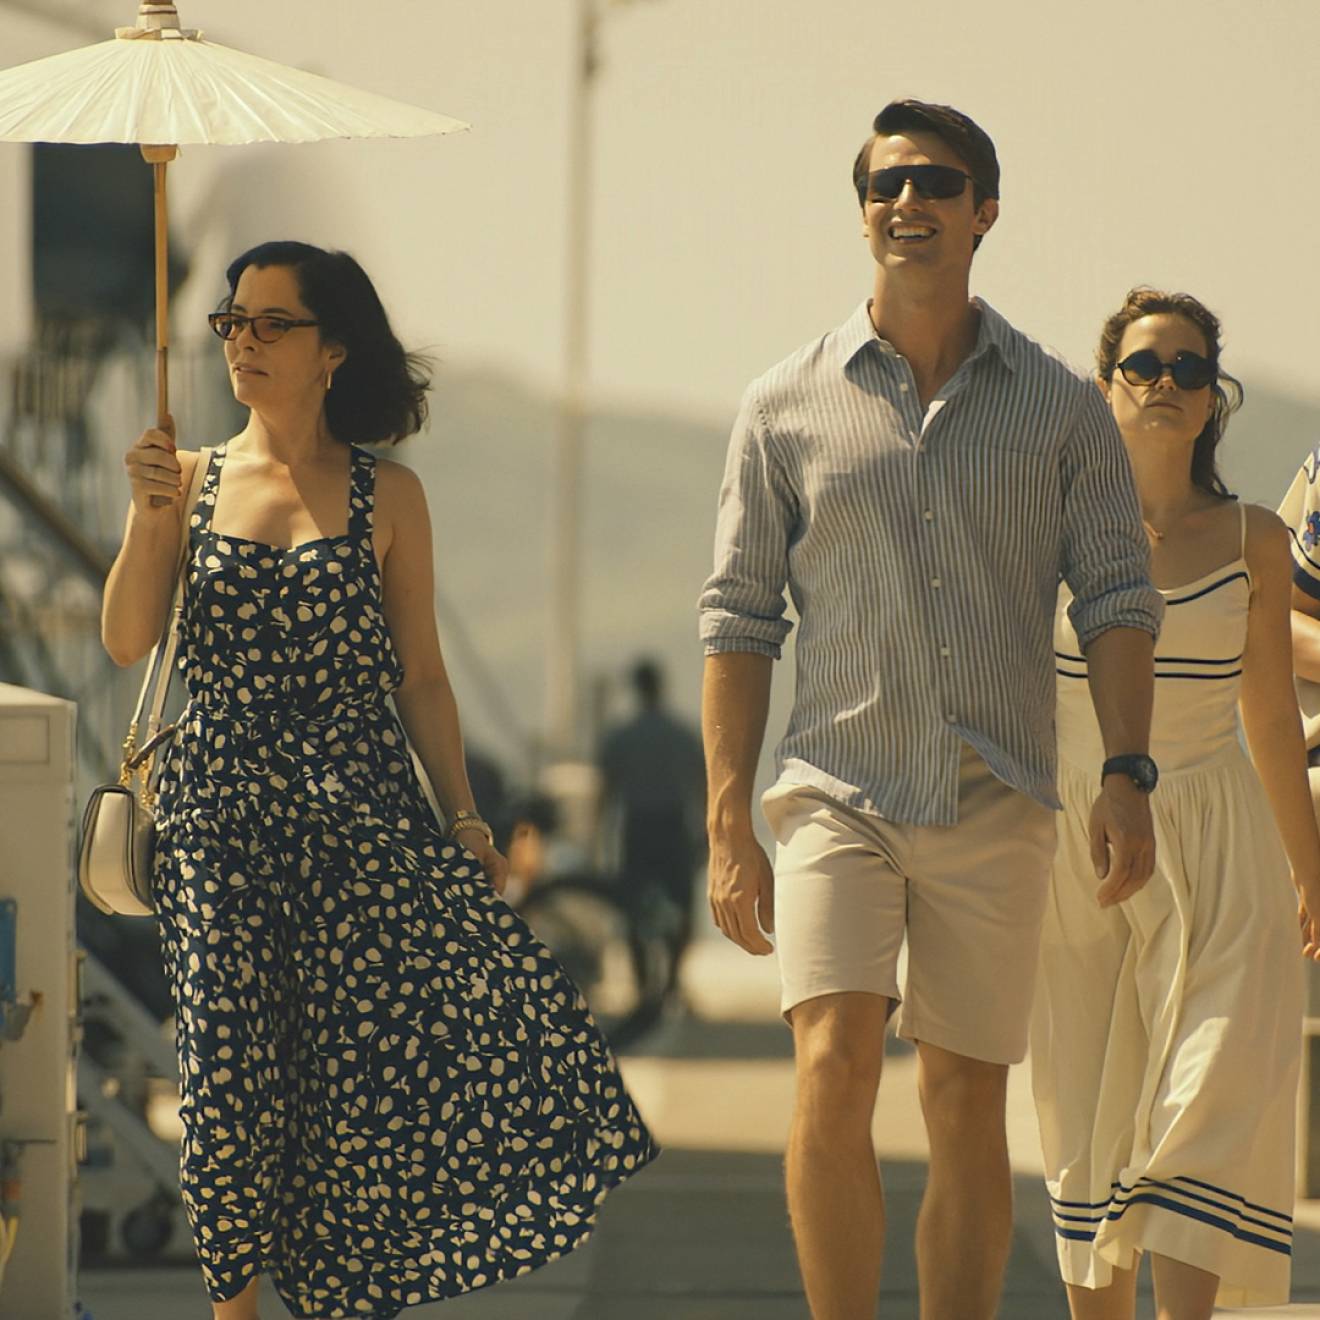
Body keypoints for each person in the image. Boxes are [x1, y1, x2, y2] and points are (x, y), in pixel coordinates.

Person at [100, 240, 655, 1320]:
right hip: (217, 821)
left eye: (273, 323)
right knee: (224, 1082)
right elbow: (127, 640)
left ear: (333, 350)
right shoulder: (189, 478)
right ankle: (235, 1311)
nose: (245, 342)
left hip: (361, 823)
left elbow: (424, 678)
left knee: (357, 1097)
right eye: (233, 322)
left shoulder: (388, 495)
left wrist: (466, 820)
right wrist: (148, 514)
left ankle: (342, 1299)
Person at [698, 99, 1163, 1320]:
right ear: (863, 213)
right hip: (836, 789)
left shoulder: (1061, 405)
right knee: (832, 1062)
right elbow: (739, 617)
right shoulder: (781, 403)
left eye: (937, 182)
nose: (908, 201)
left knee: (962, 1098)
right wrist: (727, 817)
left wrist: (1127, 772)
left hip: (995, 788)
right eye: (885, 184)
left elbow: (1119, 596)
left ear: (984, 211)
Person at [1031, 288, 1320, 1319]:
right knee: (1087, 1110)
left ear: (1212, 401)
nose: (1166, 382)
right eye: (1145, 364)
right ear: (1104, 386)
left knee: (1206, 1095)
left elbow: (1271, 717)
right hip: (1078, 846)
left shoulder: (1254, 539)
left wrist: (1311, 870)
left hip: (1222, 839)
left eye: (1190, 369)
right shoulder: (1045, 530)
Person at [598, 658, 706, 1008]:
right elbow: (701, 785)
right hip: (674, 826)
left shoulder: (621, 736)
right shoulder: (682, 734)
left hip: (637, 827)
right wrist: (708, 832)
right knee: (682, 906)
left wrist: (601, 839)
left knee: (632, 906)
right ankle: (672, 979)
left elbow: (606, 792)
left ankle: (643, 984)